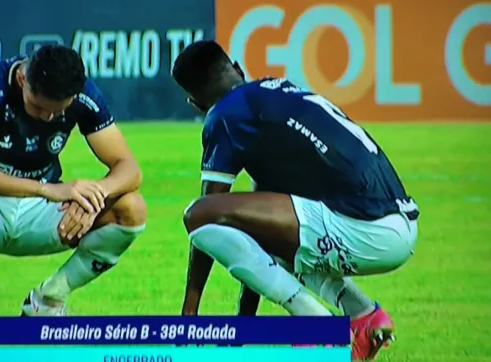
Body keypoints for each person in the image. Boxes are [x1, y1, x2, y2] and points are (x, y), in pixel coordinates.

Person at [171, 40, 419, 361]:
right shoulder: (276, 93)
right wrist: (242, 328)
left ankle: (321, 330)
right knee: (274, 237)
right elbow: (257, 236)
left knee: (197, 214)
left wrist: (189, 315)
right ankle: (364, 316)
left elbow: (208, 217)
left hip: (365, 227)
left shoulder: (224, 116)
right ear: (237, 69)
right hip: (398, 226)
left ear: (195, 103)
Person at [0, 44, 146, 317]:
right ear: (22, 79)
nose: (48, 117)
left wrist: (96, 196)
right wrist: (47, 189)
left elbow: (129, 168)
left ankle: (47, 300)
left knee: (131, 208)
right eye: (38, 107)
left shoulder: (82, 93)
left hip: (44, 212)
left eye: (58, 112)